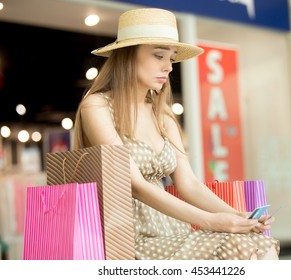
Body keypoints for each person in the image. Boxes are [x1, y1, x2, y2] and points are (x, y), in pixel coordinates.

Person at [73, 8, 280, 260]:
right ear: (127, 56)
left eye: (171, 58)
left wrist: (238, 217)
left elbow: (188, 184)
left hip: (174, 230)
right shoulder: (97, 107)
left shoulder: (163, 114)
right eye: (159, 55)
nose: (168, 67)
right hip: (128, 239)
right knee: (247, 248)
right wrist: (214, 222)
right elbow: (135, 185)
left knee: (259, 243)